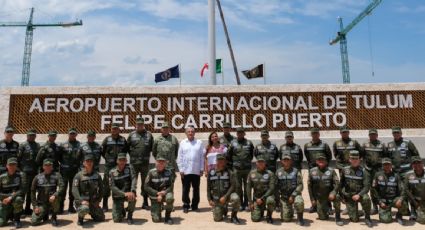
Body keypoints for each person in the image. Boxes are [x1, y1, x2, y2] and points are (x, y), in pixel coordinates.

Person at [308, 155, 343, 226]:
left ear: (326, 162)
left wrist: (333, 192)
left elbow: (337, 183)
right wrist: (312, 199)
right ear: (316, 162)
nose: (321, 161)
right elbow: (309, 187)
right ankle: (325, 208)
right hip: (320, 197)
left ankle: (338, 217)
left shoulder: (331, 171)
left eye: (323, 160)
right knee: (322, 217)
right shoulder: (312, 171)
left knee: (337, 197)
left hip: (329, 195)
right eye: (319, 160)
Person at [340, 150, 372, 227]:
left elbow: (367, 187)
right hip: (349, 195)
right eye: (352, 159)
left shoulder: (364, 171)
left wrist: (359, 195)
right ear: (349, 159)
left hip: (359, 194)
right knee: (354, 220)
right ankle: (356, 212)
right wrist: (342, 196)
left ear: (359, 160)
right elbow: (341, 184)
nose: (354, 161)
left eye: (356, 159)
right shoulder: (345, 170)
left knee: (366, 198)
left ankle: (367, 217)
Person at [127, 117, 154, 210]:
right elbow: (127, 148)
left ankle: (145, 202)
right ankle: (131, 203)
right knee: (132, 183)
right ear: (136, 125)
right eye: (138, 124)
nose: (140, 126)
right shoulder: (131, 135)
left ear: (143, 125)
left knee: (145, 183)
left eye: (141, 124)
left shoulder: (149, 135)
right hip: (134, 163)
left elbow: (151, 148)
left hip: (145, 163)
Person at [177, 126, 205, 213]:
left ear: (194, 133)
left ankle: (195, 205)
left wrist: (201, 169)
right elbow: (179, 157)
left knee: (196, 189)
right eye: (188, 131)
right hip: (185, 171)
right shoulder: (182, 143)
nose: (190, 133)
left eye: (192, 131)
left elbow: (202, 157)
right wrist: (181, 169)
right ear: (186, 133)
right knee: (185, 189)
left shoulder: (199, 143)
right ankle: (186, 205)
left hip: (196, 170)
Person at [304, 128, 332, 213]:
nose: (315, 135)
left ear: (319, 134)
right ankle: (314, 205)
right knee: (313, 187)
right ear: (311, 135)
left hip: (323, 169)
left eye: (316, 133)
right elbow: (307, 156)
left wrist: (324, 165)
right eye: (313, 134)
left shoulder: (324, 145)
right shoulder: (307, 145)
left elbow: (329, 156)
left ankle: (328, 205)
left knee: (326, 186)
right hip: (313, 170)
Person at [101, 123, 128, 211]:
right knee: (106, 185)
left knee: (120, 184)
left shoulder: (123, 140)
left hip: (119, 166)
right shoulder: (107, 139)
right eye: (113, 129)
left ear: (119, 130)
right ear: (111, 130)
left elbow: (125, 151)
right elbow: (102, 151)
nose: (114, 130)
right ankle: (105, 204)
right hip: (109, 166)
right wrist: (108, 159)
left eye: (116, 129)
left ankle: (119, 204)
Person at [206, 153, 240, 224]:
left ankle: (234, 216)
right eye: (219, 160)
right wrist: (209, 199)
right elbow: (208, 187)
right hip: (217, 199)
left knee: (236, 198)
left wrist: (225, 196)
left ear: (225, 161)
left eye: (222, 160)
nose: (221, 162)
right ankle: (224, 208)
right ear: (216, 161)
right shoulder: (211, 172)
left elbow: (233, 185)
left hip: (227, 197)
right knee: (217, 219)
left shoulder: (229, 172)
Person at [227, 127, 254, 211]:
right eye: (238, 133)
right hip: (236, 169)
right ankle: (240, 204)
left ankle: (246, 203)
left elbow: (251, 154)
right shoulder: (232, 143)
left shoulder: (249, 143)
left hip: (247, 169)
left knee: (247, 186)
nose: (240, 134)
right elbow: (229, 155)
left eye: (241, 132)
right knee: (238, 187)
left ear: (244, 133)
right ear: (236, 134)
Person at [30, 159, 64, 226]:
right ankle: (45, 213)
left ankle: (54, 217)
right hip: (42, 203)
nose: (48, 167)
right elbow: (32, 192)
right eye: (46, 165)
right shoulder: (37, 177)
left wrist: (55, 195)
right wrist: (35, 206)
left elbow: (62, 187)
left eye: (49, 165)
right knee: (34, 222)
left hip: (52, 201)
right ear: (43, 167)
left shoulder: (57, 175)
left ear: (52, 167)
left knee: (56, 198)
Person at [72, 154, 104, 226]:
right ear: (84, 163)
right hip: (83, 202)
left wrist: (98, 200)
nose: (89, 163)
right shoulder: (78, 175)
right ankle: (80, 218)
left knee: (101, 218)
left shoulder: (97, 175)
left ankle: (91, 212)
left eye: (90, 161)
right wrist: (81, 200)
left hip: (93, 202)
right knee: (84, 209)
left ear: (93, 163)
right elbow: (74, 190)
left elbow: (102, 189)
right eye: (87, 161)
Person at [371, 158, 405, 225]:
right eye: (385, 164)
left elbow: (403, 189)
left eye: (388, 164)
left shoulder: (396, 175)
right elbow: (374, 190)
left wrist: (400, 199)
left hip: (394, 199)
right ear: (382, 165)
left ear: (391, 165)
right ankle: (387, 212)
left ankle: (399, 215)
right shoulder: (377, 175)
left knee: (404, 202)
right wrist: (380, 202)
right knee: (386, 220)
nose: (387, 166)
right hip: (383, 201)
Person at [362, 128, 387, 214]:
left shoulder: (382, 145)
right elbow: (362, 155)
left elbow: (385, 156)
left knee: (378, 188)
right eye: (371, 134)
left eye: (374, 134)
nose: (372, 136)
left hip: (378, 170)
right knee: (369, 188)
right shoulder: (365, 144)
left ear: (377, 135)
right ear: (369, 136)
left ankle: (379, 206)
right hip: (368, 170)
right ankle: (373, 207)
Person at [275, 153, 304, 225]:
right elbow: (275, 186)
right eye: (284, 160)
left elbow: (300, 185)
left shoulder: (296, 171)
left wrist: (293, 195)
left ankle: (300, 219)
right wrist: (278, 198)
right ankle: (290, 211)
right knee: (286, 219)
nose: (286, 161)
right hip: (284, 197)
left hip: (295, 195)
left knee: (299, 202)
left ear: (291, 161)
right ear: (282, 161)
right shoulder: (278, 172)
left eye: (288, 160)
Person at [144, 157, 175, 224]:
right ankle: (159, 207)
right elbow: (146, 186)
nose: (160, 164)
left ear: (165, 164)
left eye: (162, 162)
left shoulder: (168, 172)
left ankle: (167, 216)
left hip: (165, 193)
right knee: (156, 220)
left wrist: (164, 192)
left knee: (170, 198)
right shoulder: (151, 172)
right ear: (156, 163)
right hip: (155, 196)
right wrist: (157, 193)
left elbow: (171, 186)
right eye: (159, 162)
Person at [17, 128, 40, 215]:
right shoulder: (22, 145)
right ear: (27, 135)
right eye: (30, 135)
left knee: (32, 190)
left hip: (33, 172)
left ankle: (27, 208)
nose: (31, 136)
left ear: (35, 136)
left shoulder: (37, 146)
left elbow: (38, 159)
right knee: (23, 191)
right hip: (24, 172)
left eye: (33, 135)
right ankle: (20, 210)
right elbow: (18, 158)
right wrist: (19, 170)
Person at [109, 153, 137, 224]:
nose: (122, 162)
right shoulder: (112, 172)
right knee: (116, 220)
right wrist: (124, 194)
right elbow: (112, 187)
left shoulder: (130, 168)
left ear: (126, 160)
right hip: (118, 195)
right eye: (120, 160)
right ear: (117, 161)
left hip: (129, 194)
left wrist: (132, 191)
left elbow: (134, 179)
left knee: (132, 198)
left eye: (123, 160)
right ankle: (122, 210)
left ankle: (130, 216)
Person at [247, 156, 276, 223]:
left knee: (271, 201)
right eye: (259, 162)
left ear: (265, 163)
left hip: (267, 197)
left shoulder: (270, 173)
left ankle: (269, 215)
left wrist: (262, 198)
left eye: (262, 162)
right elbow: (248, 188)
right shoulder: (252, 173)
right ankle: (261, 210)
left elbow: (272, 188)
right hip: (256, 199)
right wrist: (250, 202)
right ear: (256, 163)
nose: (260, 164)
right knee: (255, 219)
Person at [58, 127, 80, 214]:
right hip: (64, 171)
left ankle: (71, 207)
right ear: (68, 134)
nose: (72, 135)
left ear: (76, 135)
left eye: (74, 134)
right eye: (71, 134)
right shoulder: (63, 145)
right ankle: (60, 207)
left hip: (74, 170)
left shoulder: (79, 145)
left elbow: (80, 157)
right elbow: (59, 157)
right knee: (62, 189)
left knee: (72, 189)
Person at [0, 157, 26, 228]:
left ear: (16, 166)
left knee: (18, 199)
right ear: (7, 166)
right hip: (5, 200)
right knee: (1, 223)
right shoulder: (2, 177)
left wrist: (10, 197)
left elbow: (23, 189)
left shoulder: (21, 175)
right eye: (10, 165)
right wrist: (2, 200)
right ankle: (9, 215)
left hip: (15, 199)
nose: (12, 167)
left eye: (14, 165)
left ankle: (17, 220)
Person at [404, 156, 425, 224]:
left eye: (418, 162)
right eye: (414, 163)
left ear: (422, 163)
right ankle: (413, 211)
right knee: (422, 220)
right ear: (412, 165)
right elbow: (406, 189)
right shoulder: (408, 175)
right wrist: (414, 201)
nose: (417, 165)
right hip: (417, 202)